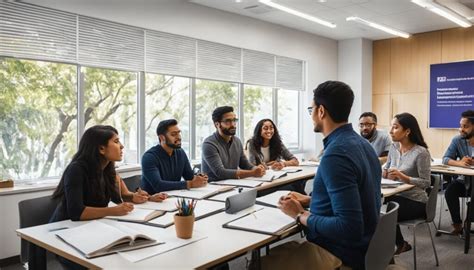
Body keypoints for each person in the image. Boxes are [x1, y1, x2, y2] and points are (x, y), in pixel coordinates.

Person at [273, 81, 381, 270]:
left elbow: (349, 227)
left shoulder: (335, 154)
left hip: (340, 252)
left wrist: (299, 214)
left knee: (261, 263)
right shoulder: (363, 145)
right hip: (370, 246)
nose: (312, 115)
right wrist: (309, 200)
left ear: (321, 111)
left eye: (311, 109)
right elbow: (357, 197)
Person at [47, 125, 166, 269]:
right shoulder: (76, 169)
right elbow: (77, 212)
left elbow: (124, 195)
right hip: (67, 233)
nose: (122, 146)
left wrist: (145, 197)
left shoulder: (108, 167)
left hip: (92, 228)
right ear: (101, 149)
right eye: (116, 142)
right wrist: (113, 210)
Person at [383, 113, 431, 255]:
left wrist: (405, 177)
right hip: (395, 195)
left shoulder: (421, 152)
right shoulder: (394, 148)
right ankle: (399, 245)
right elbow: (386, 167)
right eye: (391, 127)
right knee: (373, 209)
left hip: (416, 201)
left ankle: (389, 252)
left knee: (382, 218)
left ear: (407, 131)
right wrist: (384, 172)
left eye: (395, 127)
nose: (391, 131)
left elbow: (426, 182)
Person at [141, 119, 208, 193]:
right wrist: (190, 184)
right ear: (162, 137)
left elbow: (189, 176)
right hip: (152, 201)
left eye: (179, 133)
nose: (179, 137)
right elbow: (158, 185)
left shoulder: (180, 152)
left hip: (173, 197)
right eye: (173, 134)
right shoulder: (149, 157)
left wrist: (200, 178)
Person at [201, 106, 265, 181]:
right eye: (228, 121)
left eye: (234, 120)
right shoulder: (209, 144)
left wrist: (256, 168)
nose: (233, 124)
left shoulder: (237, 141)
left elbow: (244, 164)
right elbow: (220, 172)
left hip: (233, 185)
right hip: (213, 187)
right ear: (217, 124)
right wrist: (252, 173)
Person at [443, 110, 474, 235]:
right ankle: (457, 225)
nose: (461, 129)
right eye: (461, 126)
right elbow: (446, 159)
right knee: (450, 191)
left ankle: (469, 222)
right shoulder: (458, 140)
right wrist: (460, 163)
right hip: (465, 181)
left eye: (465, 126)